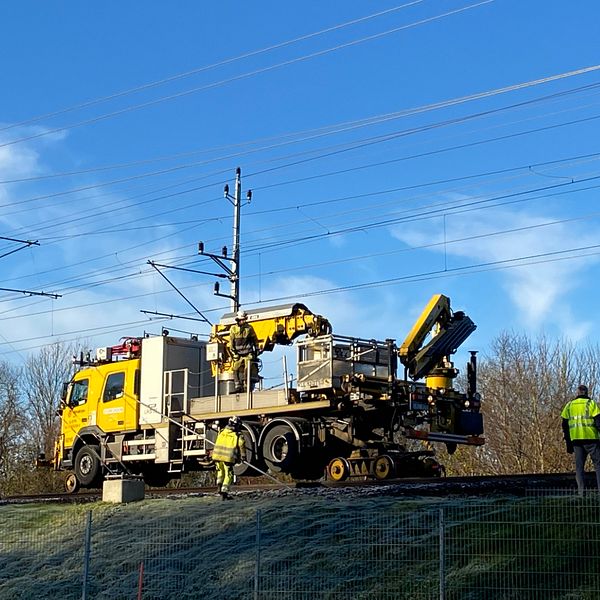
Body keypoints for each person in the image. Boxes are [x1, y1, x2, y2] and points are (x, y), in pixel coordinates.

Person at [561, 384, 600, 496]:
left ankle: (581, 493)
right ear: (586, 393)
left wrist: (568, 443)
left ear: (577, 393)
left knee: (579, 467)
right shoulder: (591, 404)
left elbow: (564, 425)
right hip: (591, 439)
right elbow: (598, 422)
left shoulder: (569, 405)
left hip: (576, 440)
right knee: (598, 465)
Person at [212, 416, 246, 500]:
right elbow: (241, 444)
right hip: (227, 458)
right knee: (229, 475)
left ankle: (219, 488)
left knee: (220, 472)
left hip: (217, 456)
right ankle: (224, 493)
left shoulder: (222, 431)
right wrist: (243, 456)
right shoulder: (237, 435)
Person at [229, 309, 259, 393]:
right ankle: (238, 386)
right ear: (238, 320)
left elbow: (254, 339)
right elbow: (231, 342)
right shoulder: (233, 329)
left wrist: (256, 349)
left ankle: (246, 386)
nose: (243, 321)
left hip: (248, 353)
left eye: (244, 319)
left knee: (247, 369)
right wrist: (234, 353)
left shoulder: (249, 328)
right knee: (235, 369)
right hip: (238, 355)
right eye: (242, 320)